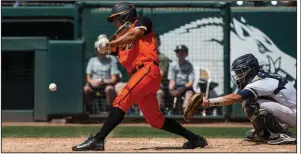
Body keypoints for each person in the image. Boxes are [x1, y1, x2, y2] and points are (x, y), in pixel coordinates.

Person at [72, 2, 207, 151]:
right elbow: (108, 49)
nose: (115, 23)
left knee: (121, 100)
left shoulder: (142, 21)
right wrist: (103, 45)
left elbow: (134, 34)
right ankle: (195, 139)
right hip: (141, 78)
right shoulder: (121, 44)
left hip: (147, 70)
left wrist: (111, 44)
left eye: (116, 19)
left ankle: (98, 139)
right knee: (155, 120)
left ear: (125, 16)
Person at [184, 54, 296, 145]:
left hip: (294, 114)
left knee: (249, 102)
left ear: (251, 70)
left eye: (241, 71)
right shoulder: (262, 76)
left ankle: (281, 134)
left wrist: (209, 102)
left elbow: (236, 98)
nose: (238, 76)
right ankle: (262, 132)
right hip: (290, 110)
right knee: (253, 101)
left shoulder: (260, 82)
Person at [83, 39, 120, 113]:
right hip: (94, 86)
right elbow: (88, 78)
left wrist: (104, 82)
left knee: (109, 89)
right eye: (99, 49)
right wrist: (93, 82)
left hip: (106, 85)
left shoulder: (111, 59)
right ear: (96, 50)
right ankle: (90, 110)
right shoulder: (92, 60)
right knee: (86, 89)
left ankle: (108, 111)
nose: (101, 51)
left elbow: (114, 79)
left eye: (103, 49)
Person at [168, 45, 195, 111]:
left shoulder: (189, 65)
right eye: (178, 51)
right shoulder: (173, 65)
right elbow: (172, 80)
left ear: (186, 54)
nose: (180, 53)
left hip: (186, 87)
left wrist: (183, 88)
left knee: (189, 94)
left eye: (182, 52)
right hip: (176, 86)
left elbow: (191, 82)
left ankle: (185, 110)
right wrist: (171, 90)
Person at [155, 33, 170, 113]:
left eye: (155, 42)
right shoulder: (144, 57)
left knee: (158, 93)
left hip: (160, 85)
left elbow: (160, 75)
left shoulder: (163, 58)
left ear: (159, 44)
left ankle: (159, 115)